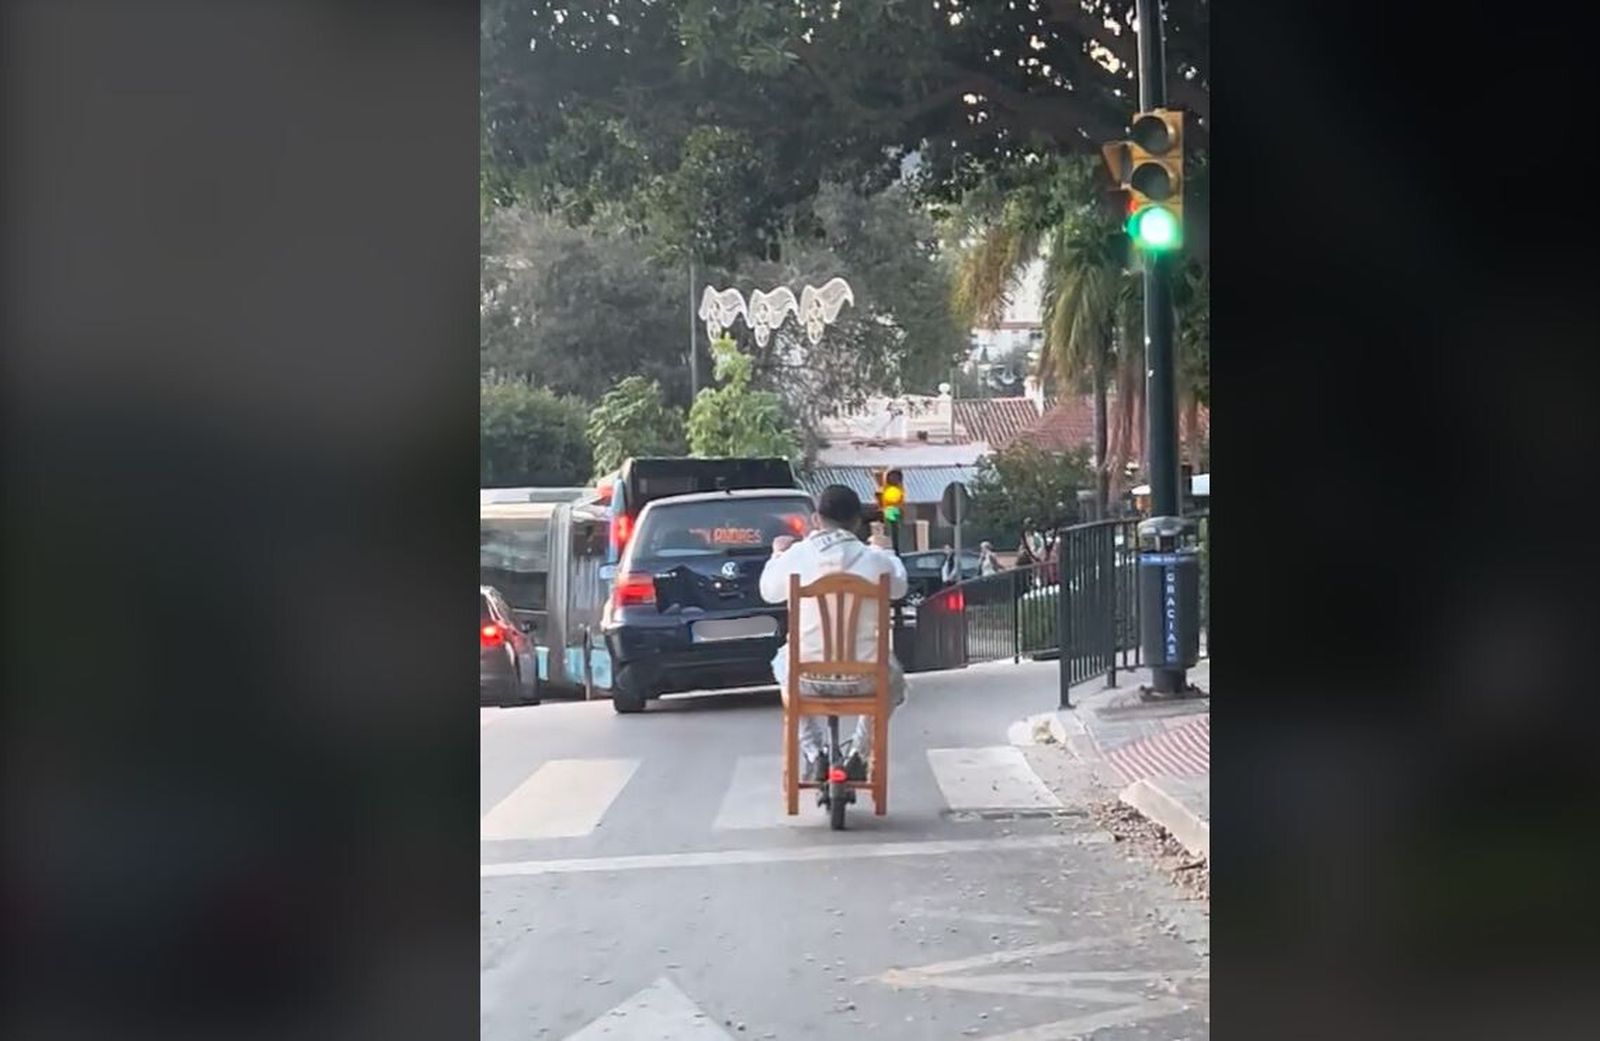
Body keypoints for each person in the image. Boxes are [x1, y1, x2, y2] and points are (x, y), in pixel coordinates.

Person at [760, 484, 909, 801]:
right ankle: (858, 754)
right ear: (857, 523)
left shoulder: (797, 557)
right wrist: (886, 550)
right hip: (865, 680)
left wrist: (777, 554)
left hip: (808, 680)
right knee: (893, 680)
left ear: (816, 519)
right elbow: (899, 588)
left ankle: (815, 756)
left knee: (782, 664)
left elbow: (768, 591)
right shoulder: (875, 561)